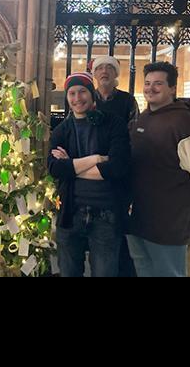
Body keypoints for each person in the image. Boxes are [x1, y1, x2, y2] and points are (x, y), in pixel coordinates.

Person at [127, 62, 190, 276]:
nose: (150, 88)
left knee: (169, 272)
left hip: (169, 221)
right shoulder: (145, 117)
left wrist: (182, 203)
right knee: (144, 269)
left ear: (172, 88)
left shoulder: (184, 123)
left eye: (158, 83)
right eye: (147, 83)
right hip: (140, 215)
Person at [47, 72, 131, 277]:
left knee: (105, 272)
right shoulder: (61, 130)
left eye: (82, 92)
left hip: (106, 214)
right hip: (70, 212)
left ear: (92, 94)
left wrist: (72, 167)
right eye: (72, 93)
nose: (77, 99)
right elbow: (54, 168)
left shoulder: (113, 123)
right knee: (68, 272)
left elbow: (117, 168)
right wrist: (96, 159)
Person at [91, 55, 139, 276]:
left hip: (118, 171)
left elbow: (133, 136)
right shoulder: (88, 99)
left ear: (115, 73)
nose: (104, 72)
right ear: (94, 74)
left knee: (119, 224)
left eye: (109, 68)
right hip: (91, 170)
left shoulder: (127, 101)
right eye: (100, 68)